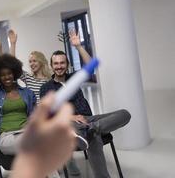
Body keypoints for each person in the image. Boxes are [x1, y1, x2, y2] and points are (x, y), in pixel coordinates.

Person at [40, 30, 131, 178]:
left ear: (67, 64)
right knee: (93, 139)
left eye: (62, 63)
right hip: (68, 124)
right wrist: (72, 118)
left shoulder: (74, 78)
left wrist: (78, 46)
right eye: (56, 63)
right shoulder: (46, 88)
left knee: (124, 114)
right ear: (51, 66)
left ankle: (91, 129)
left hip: (89, 119)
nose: (59, 66)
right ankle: (89, 133)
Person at [10, 93, 76, 178]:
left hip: (23, 132)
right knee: (39, 146)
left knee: (42, 145)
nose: (6, 78)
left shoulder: (26, 93)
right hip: (7, 136)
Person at [8, 29, 51, 103]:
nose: (32, 64)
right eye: (30, 62)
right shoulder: (28, 78)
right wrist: (13, 44)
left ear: (41, 62)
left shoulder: (49, 79)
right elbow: (13, 66)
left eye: (34, 61)